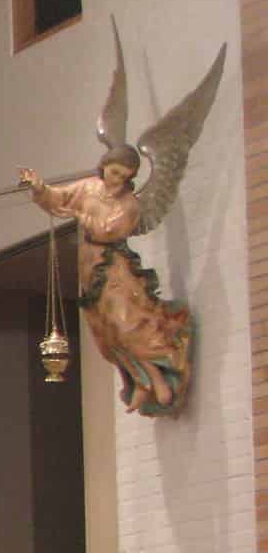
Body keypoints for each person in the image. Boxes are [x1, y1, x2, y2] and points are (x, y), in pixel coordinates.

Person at [20, 149, 193, 415]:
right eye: (114, 172)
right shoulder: (89, 187)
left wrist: (81, 216)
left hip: (113, 269)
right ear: (104, 167)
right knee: (106, 334)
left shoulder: (130, 205)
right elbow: (59, 199)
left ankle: (158, 380)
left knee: (124, 326)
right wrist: (39, 187)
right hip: (89, 269)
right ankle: (141, 384)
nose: (116, 181)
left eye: (124, 177)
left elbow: (108, 230)